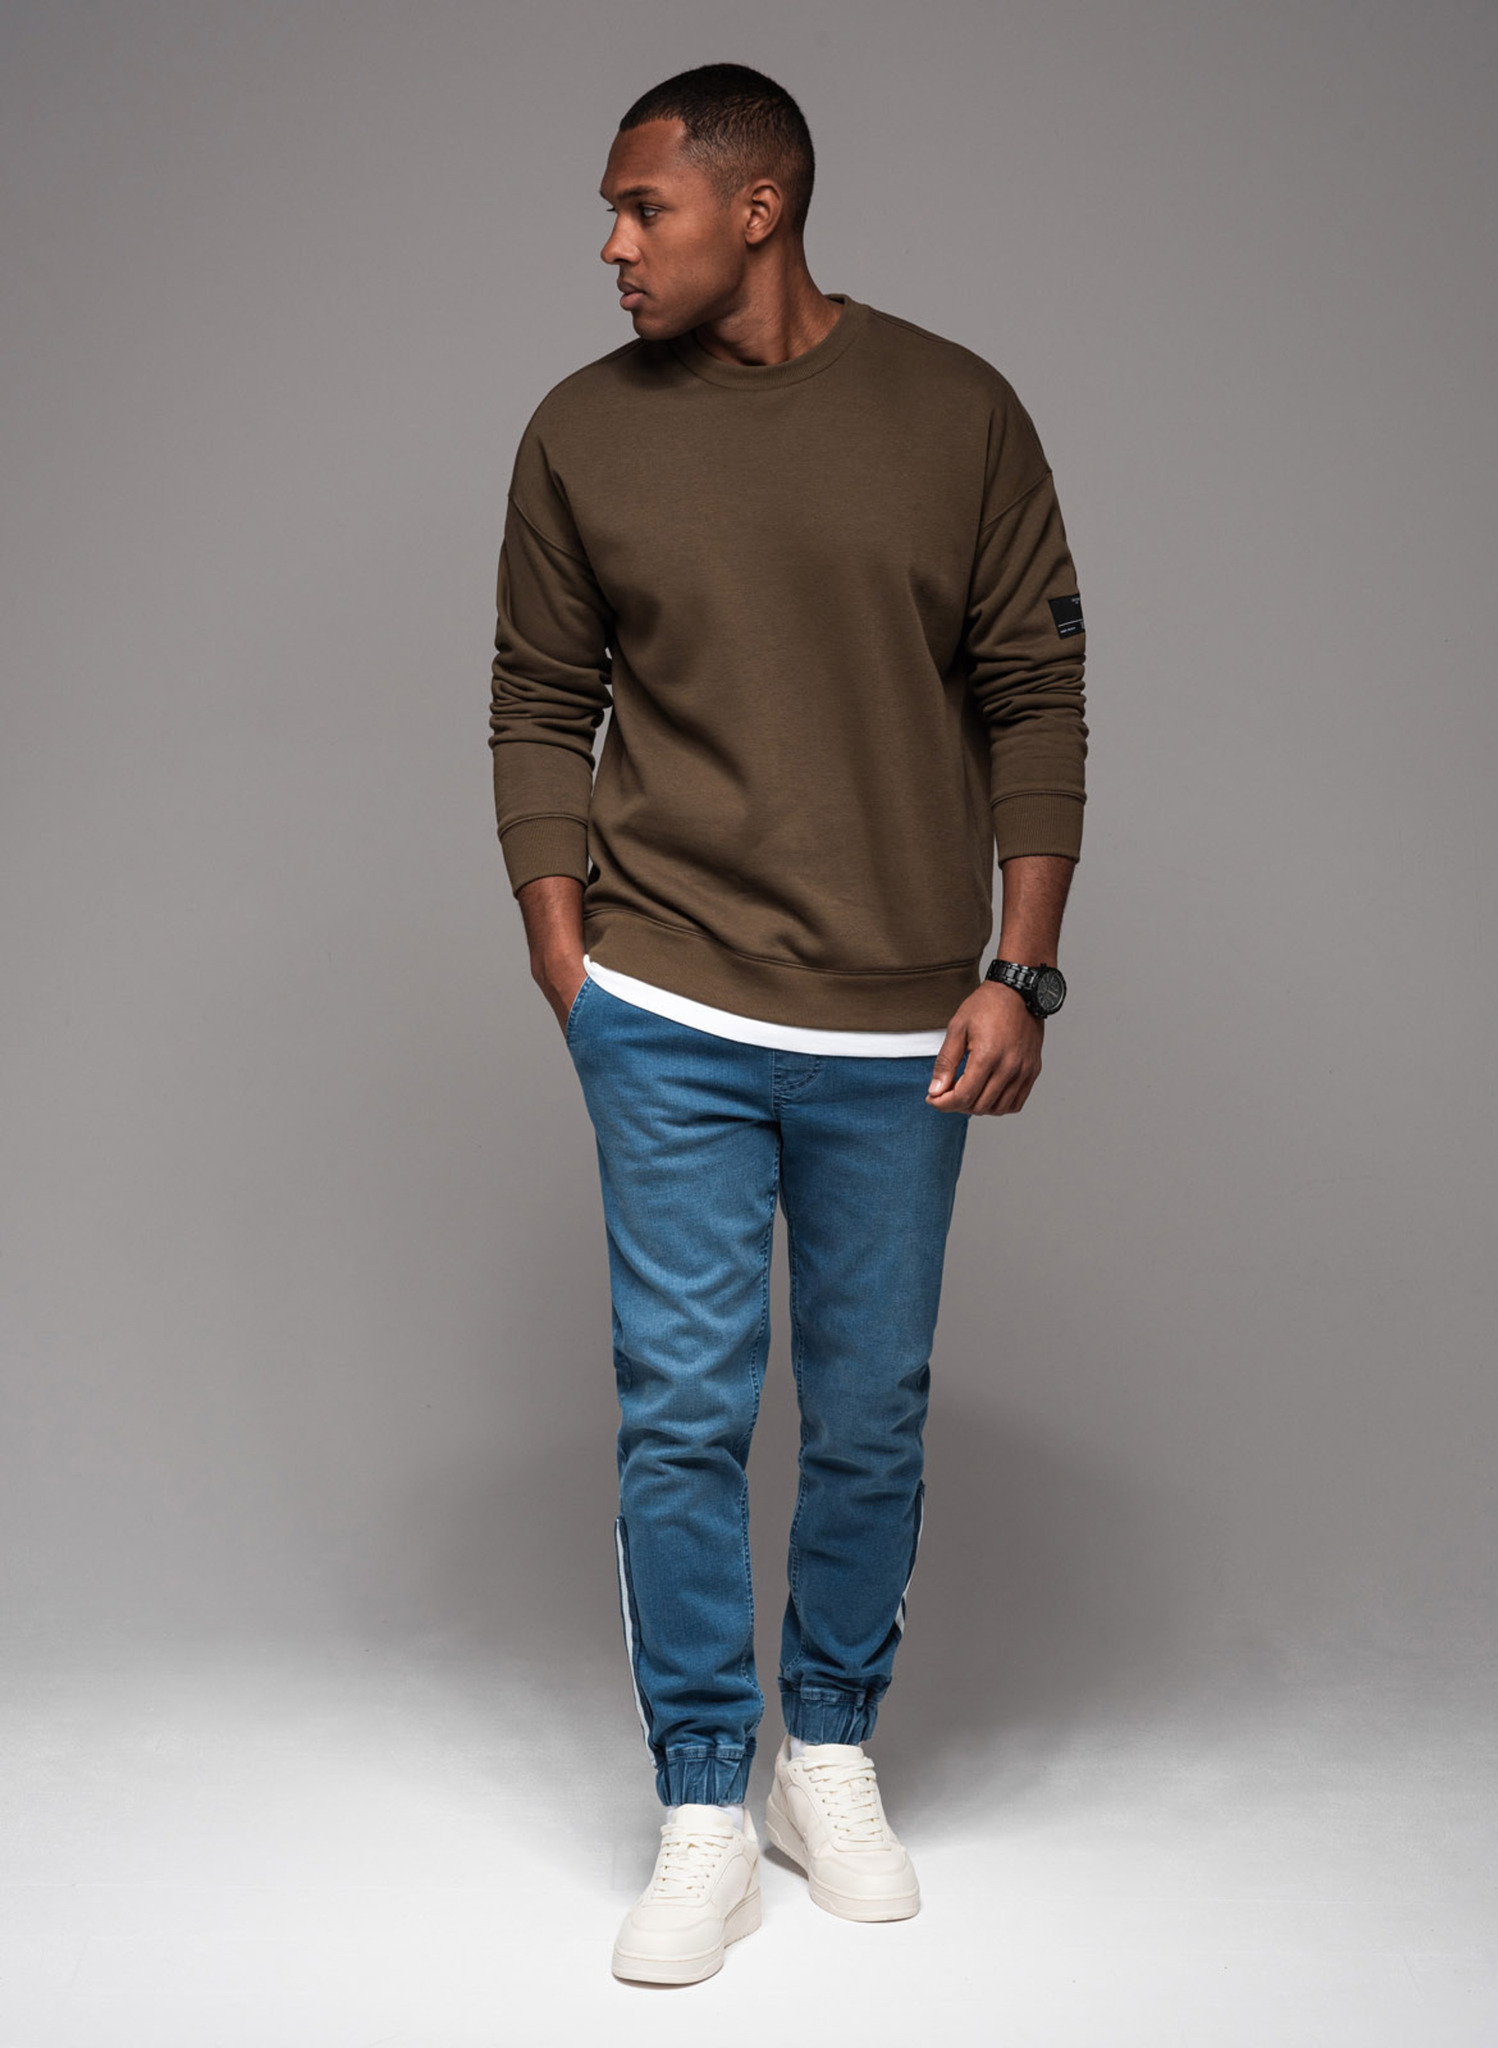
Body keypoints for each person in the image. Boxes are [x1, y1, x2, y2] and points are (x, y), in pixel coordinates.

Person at [488, 61, 1087, 1986]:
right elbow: (537, 702)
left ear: (756, 210)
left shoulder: (957, 412)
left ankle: (827, 1751)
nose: (610, 244)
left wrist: (1020, 969)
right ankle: (698, 1800)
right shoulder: (581, 431)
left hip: (901, 1026)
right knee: (680, 1409)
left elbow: (1036, 701)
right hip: (662, 999)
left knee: (871, 1407)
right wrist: (567, 957)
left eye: (640, 207)